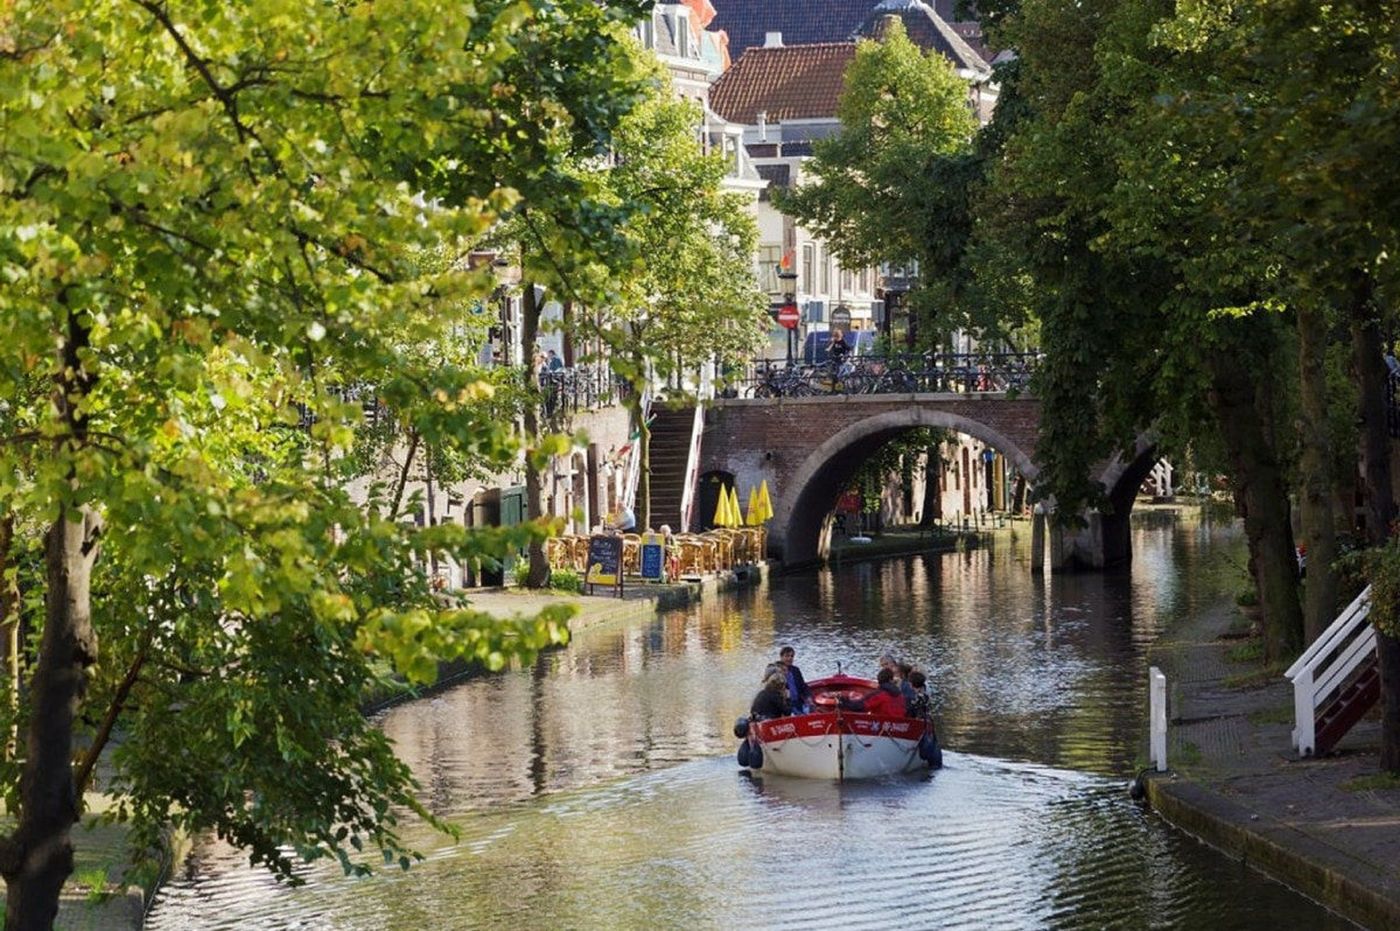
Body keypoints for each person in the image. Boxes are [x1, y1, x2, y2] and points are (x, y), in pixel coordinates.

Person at [839, 667, 905, 716]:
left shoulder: (880, 695)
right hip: (899, 725)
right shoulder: (900, 695)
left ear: (879, 681)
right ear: (891, 680)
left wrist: (844, 702)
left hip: (882, 725)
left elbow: (862, 706)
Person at [778, 645, 812, 713]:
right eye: (787, 656)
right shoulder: (776, 671)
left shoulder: (795, 670)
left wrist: (808, 697)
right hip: (785, 705)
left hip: (798, 702)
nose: (790, 658)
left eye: (792, 656)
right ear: (781, 657)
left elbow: (803, 686)